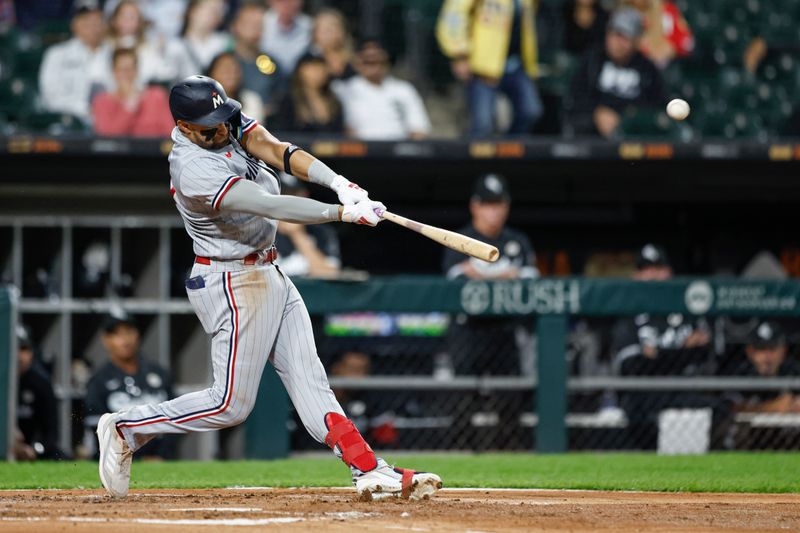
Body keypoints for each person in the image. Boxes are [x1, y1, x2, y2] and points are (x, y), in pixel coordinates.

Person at [95, 75, 442, 501]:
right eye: (209, 126)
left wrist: (339, 183)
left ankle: (368, 469)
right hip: (231, 280)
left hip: (267, 269)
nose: (222, 130)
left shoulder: (223, 121)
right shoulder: (193, 167)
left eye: (223, 119)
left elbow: (278, 151)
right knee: (230, 405)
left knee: (311, 382)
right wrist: (341, 213)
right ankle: (127, 427)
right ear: (184, 127)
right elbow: (271, 204)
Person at [610, 244, 713, 449]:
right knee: (637, 411)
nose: (654, 275)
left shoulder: (688, 312)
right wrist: (683, 353)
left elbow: (706, 355)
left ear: (669, 273)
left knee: (720, 410)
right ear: (636, 276)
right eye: (646, 269)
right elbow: (631, 366)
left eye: (659, 268)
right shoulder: (628, 316)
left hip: (684, 390)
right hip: (645, 396)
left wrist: (656, 355)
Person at [442, 174, 538, 376]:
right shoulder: (458, 239)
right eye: (487, 204)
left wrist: (479, 274)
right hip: (469, 329)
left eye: (498, 203)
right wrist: (506, 275)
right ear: (474, 206)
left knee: (511, 400)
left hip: (507, 329)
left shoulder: (518, 240)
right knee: (462, 399)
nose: (494, 210)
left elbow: (531, 282)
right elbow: (454, 281)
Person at [436, 0, 543, 137]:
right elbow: (453, 16)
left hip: (517, 64)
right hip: (483, 66)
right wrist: (459, 53)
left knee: (530, 111)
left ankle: (509, 153)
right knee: (482, 124)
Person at [85, 313, 176, 459]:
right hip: (119, 460)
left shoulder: (159, 374)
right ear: (106, 340)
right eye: (117, 334)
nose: (125, 340)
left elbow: (176, 418)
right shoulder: (98, 380)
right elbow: (97, 429)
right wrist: (134, 459)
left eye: (128, 332)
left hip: (161, 461)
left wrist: (162, 456)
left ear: (137, 334)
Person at [566, 7, 666, 138]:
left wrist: (628, 120)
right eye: (613, 34)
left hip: (634, 137)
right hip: (592, 137)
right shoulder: (593, 60)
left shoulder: (647, 68)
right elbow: (575, 97)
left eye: (624, 37)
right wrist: (596, 113)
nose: (616, 42)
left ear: (636, 41)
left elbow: (657, 107)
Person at [334, 39, 431, 140]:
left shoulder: (404, 89)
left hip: (398, 150)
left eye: (379, 61)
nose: (374, 67)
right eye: (368, 61)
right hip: (359, 151)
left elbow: (419, 129)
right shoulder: (344, 90)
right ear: (357, 62)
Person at [38, 0, 108, 124]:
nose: (93, 26)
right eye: (86, 20)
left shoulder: (113, 54)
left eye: (97, 20)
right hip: (69, 123)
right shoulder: (57, 54)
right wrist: (85, 110)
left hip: (110, 122)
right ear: (74, 24)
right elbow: (51, 98)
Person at [92, 48, 175, 137]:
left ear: (137, 71)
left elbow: (169, 134)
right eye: (123, 70)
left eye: (131, 69)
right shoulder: (102, 102)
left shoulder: (157, 97)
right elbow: (107, 138)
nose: (128, 75)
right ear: (114, 72)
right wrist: (129, 105)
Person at [725, 321, 800, 413]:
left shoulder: (793, 371)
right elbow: (731, 408)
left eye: (772, 349)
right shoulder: (741, 372)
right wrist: (772, 407)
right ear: (750, 352)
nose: (767, 357)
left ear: (783, 351)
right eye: (761, 349)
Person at [275, 174, 341, 278]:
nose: (287, 202)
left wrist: (298, 235)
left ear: (304, 195)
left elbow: (330, 275)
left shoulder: (320, 232)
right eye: (282, 196)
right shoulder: (260, 230)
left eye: (293, 195)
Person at [16, 325, 65, 460]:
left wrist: (35, 449)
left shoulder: (41, 382)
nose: (19, 356)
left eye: (24, 349)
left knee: (60, 457)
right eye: (13, 348)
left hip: (31, 448)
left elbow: (51, 432)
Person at [230, 2, 281, 116]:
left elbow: (280, 98)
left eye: (259, 25)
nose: (254, 29)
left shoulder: (272, 64)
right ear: (234, 26)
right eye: (249, 24)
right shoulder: (223, 63)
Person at [271, 53, 344, 134]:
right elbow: (283, 133)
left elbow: (338, 134)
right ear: (300, 71)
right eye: (312, 69)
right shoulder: (289, 101)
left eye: (321, 68)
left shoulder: (334, 102)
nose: (317, 73)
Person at [625, 0, 693, 69]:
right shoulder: (625, 11)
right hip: (634, 63)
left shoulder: (666, 10)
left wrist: (672, 49)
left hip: (664, 66)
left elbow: (687, 43)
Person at [207, 52, 265, 123]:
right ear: (211, 73)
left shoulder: (251, 100)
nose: (231, 74)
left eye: (235, 70)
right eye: (225, 70)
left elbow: (253, 131)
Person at [179, 0, 230, 76]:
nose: (215, 15)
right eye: (210, 9)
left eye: (220, 11)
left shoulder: (226, 43)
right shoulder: (173, 45)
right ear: (192, 11)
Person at [261, 0, 312, 76]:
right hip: (266, 77)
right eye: (281, 1)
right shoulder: (260, 22)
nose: (287, 4)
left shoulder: (310, 25)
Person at [310, 8, 356, 81]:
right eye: (324, 30)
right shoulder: (309, 59)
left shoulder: (354, 59)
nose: (329, 34)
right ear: (315, 34)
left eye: (332, 28)